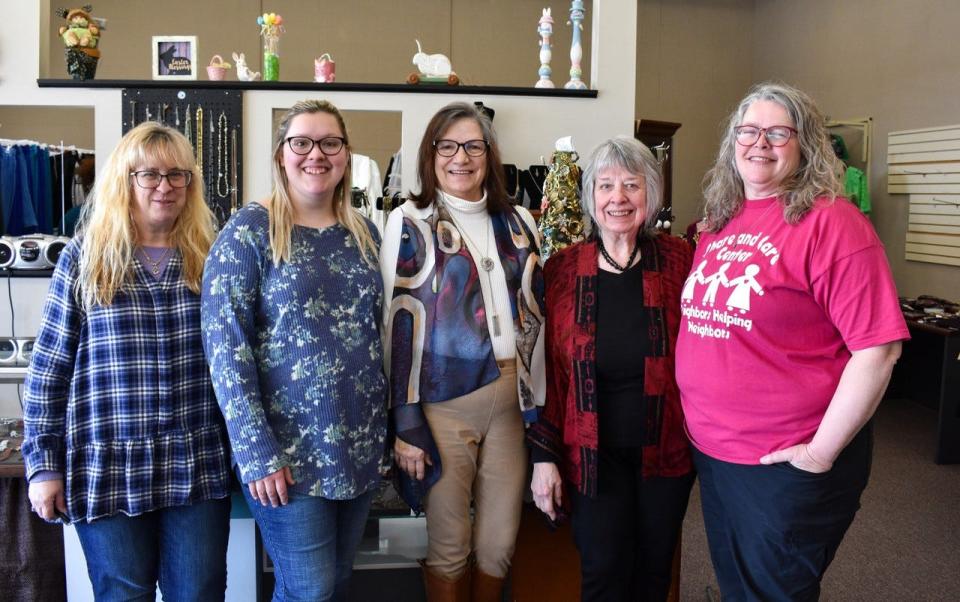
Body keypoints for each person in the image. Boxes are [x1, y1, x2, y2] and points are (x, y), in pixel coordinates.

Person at [675, 82, 909, 601]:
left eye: (779, 132)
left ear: (806, 144)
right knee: (740, 588)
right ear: (733, 141)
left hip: (786, 460)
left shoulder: (833, 223)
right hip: (717, 455)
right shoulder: (721, 221)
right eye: (750, 131)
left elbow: (879, 349)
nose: (761, 143)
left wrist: (820, 454)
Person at [22, 122, 232, 600]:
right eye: (150, 174)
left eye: (178, 175)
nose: (165, 186)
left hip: (194, 464)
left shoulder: (212, 255)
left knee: (199, 593)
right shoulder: (85, 258)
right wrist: (43, 466)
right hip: (106, 464)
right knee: (122, 594)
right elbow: (49, 369)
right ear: (124, 179)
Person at [201, 99, 387, 601]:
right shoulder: (248, 231)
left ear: (346, 155)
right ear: (281, 154)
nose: (316, 154)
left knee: (335, 583)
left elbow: (377, 336)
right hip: (286, 455)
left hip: (358, 448)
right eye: (301, 142)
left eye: (331, 143)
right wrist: (255, 450)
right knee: (309, 589)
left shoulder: (364, 235)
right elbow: (225, 347)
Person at [380, 102, 545, 601]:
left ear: (489, 154)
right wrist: (406, 422)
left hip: (512, 402)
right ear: (431, 155)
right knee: (450, 543)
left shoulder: (517, 220)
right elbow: (395, 329)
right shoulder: (408, 221)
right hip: (443, 405)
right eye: (447, 146)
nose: (461, 157)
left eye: (473, 145)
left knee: (499, 542)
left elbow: (536, 312)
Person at [527, 136, 695, 601]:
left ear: (651, 195)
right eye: (605, 186)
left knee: (654, 573)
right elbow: (550, 375)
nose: (617, 197)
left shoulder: (681, 260)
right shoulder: (562, 270)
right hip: (592, 455)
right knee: (602, 573)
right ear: (590, 198)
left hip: (666, 450)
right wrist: (544, 456)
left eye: (630, 185)